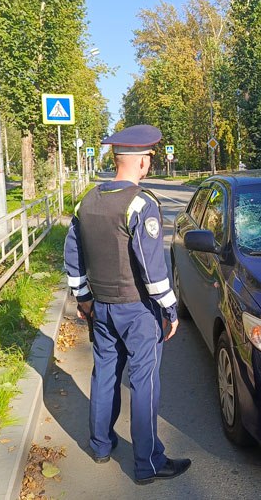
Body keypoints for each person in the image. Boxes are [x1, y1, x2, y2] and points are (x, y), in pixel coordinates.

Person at [63, 124, 191, 485]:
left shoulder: (88, 200)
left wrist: (83, 297)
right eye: (149, 158)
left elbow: (72, 251)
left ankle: (101, 445)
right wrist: (169, 309)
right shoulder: (141, 204)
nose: (150, 164)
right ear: (141, 161)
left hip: (101, 306)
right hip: (137, 311)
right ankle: (148, 463)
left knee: (104, 373)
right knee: (144, 382)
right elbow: (152, 267)